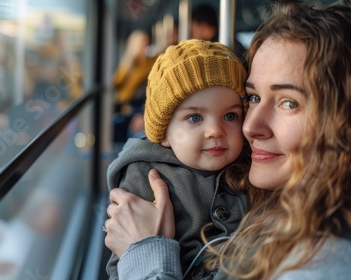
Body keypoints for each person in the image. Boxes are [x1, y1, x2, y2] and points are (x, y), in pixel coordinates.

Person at [104, 1, 351, 279]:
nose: (250, 126)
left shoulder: (331, 260)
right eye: (252, 97)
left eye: (288, 103)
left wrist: (144, 254)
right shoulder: (281, 200)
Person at [105, 39, 249, 279]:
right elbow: (122, 264)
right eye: (194, 118)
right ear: (164, 134)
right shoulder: (145, 176)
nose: (216, 131)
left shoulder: (252, 169)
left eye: (230, 115)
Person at [112, 30, 158, 144]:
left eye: (146, 43)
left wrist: (143, 114)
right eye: (142, 43)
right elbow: (116, 85)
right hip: (126, 108)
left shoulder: (149, 64)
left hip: (140, 108)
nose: (145, 47)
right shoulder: (127, 65)